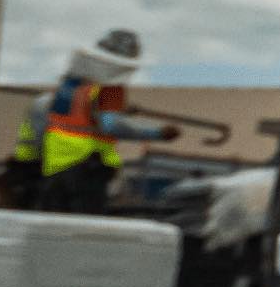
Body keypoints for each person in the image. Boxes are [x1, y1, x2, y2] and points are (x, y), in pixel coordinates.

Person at [19, 29, 178, 214]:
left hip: (55, 171)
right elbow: (111, 125)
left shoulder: (68, 87)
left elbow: (46, 127)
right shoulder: (111, 89)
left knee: (56, 230)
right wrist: (159, 133)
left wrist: (26, 164)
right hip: (87, 171)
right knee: (85, 233)